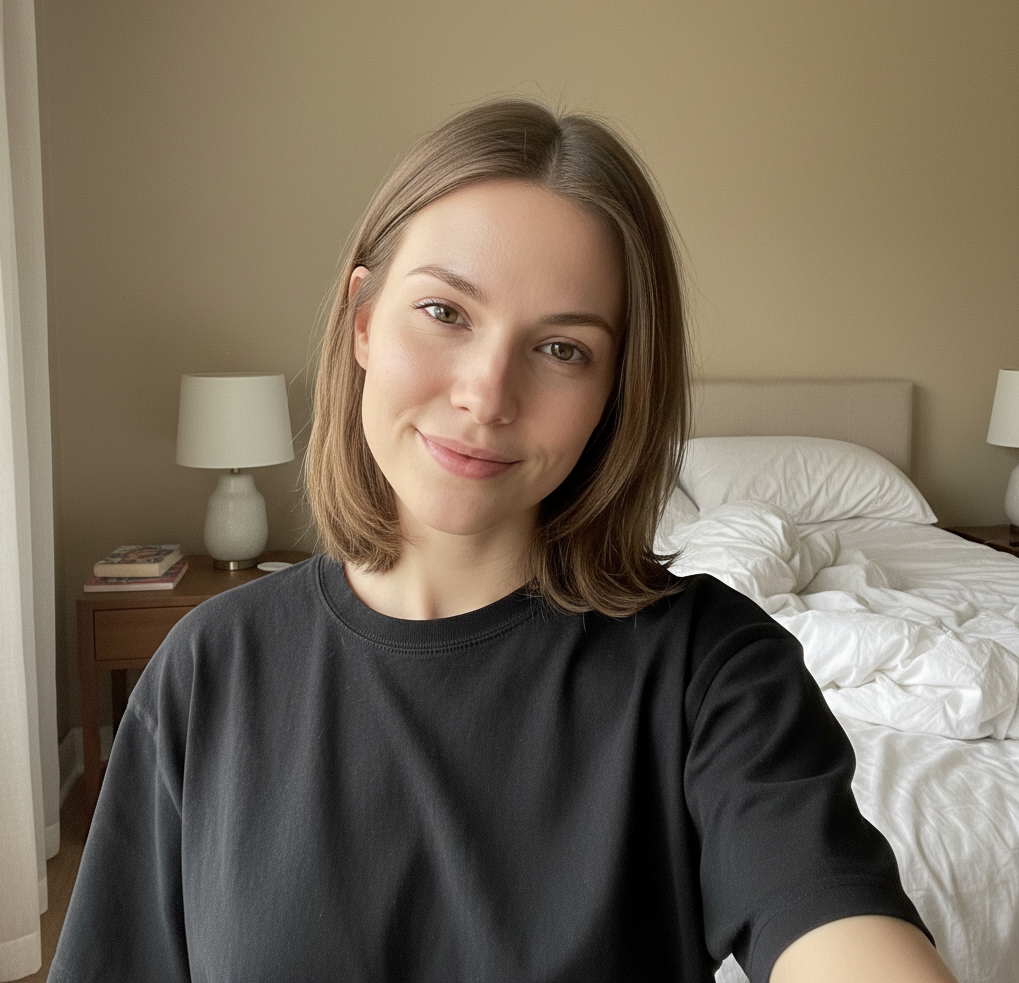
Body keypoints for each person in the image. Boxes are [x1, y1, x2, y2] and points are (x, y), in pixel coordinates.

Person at [49, 99, 958, 983]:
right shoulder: (210, 668)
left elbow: (831, 916)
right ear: (363, 320)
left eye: (562, 349)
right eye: (445, 312)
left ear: (613, 393)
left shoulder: (715, 673)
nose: (487, 394)